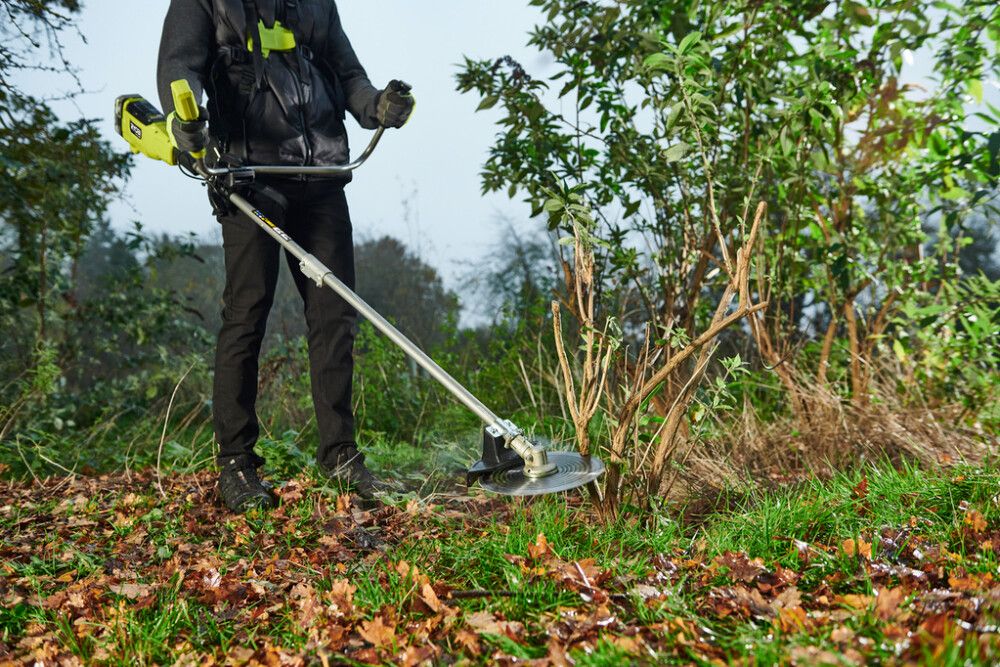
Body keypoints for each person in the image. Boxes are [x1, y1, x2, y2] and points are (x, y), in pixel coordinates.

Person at [157, 0, 414, 513]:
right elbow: (179, 68)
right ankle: (236, 462)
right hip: (248, 177)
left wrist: (375, 107)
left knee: (333, 316)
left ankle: (341, 455)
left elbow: (348, 75)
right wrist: (183, 122)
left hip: (320, 177)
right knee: (247, 314)